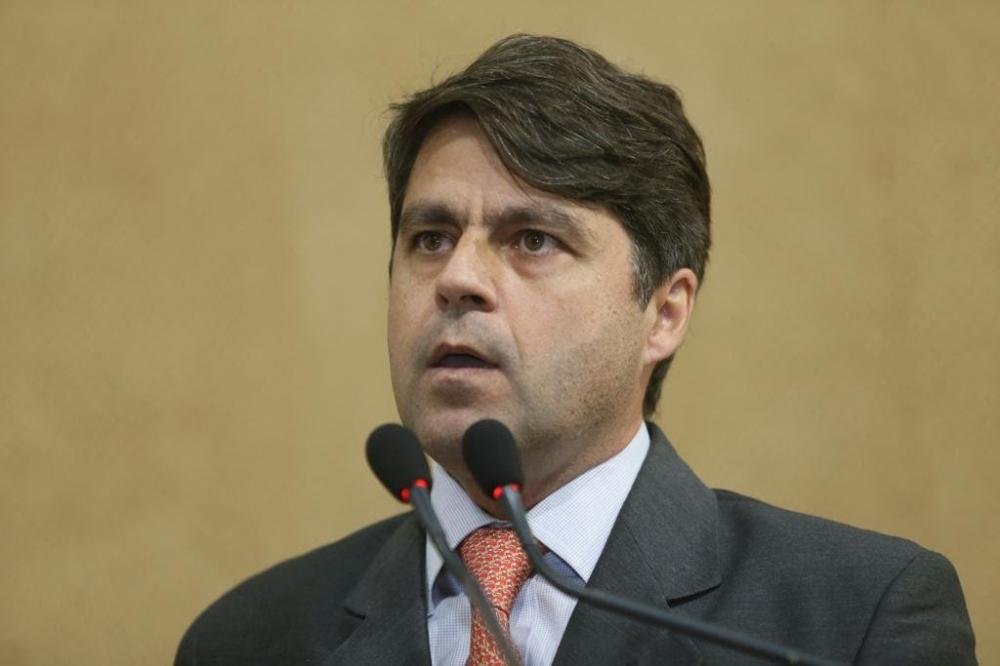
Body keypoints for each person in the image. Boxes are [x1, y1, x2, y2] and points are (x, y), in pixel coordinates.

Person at [175, 34, 976, 665]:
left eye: (532, 239)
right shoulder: (249, 639)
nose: (457, 279)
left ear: (664, 312)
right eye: (431, 237)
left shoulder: (853, 618)